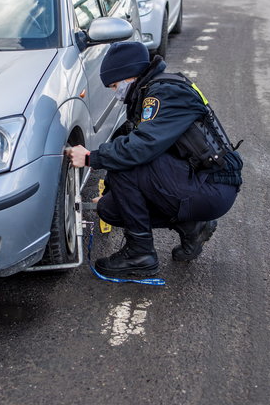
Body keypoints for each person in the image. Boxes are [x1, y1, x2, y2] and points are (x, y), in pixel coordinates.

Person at [65, 42, 243, 277]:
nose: (115, 92)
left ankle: (140, 256)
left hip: (212, 184)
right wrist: (109, 192)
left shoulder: (167, 93)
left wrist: (90, 158)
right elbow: (132, 143)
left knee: (127, 164)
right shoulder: (148, 93)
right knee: (109, 208)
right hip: (196, 181)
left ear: (129, 75)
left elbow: (141, 148)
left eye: (115, 85)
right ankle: (193, 226)